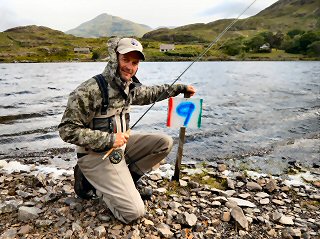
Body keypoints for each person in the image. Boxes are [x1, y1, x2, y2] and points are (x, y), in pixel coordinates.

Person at [58, 37, 196, 224]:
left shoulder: (129, 87)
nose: (130, 67)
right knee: (134, 213)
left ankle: (126, 180)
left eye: (135, 62)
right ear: (115, 58)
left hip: (119, 150)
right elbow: (66, 130)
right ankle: (89, 181)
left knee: (164, 143)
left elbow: (154, 92)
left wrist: (180, 88)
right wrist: (108, 140)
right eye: (125, 60)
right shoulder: (89, 90)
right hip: (95, 156)